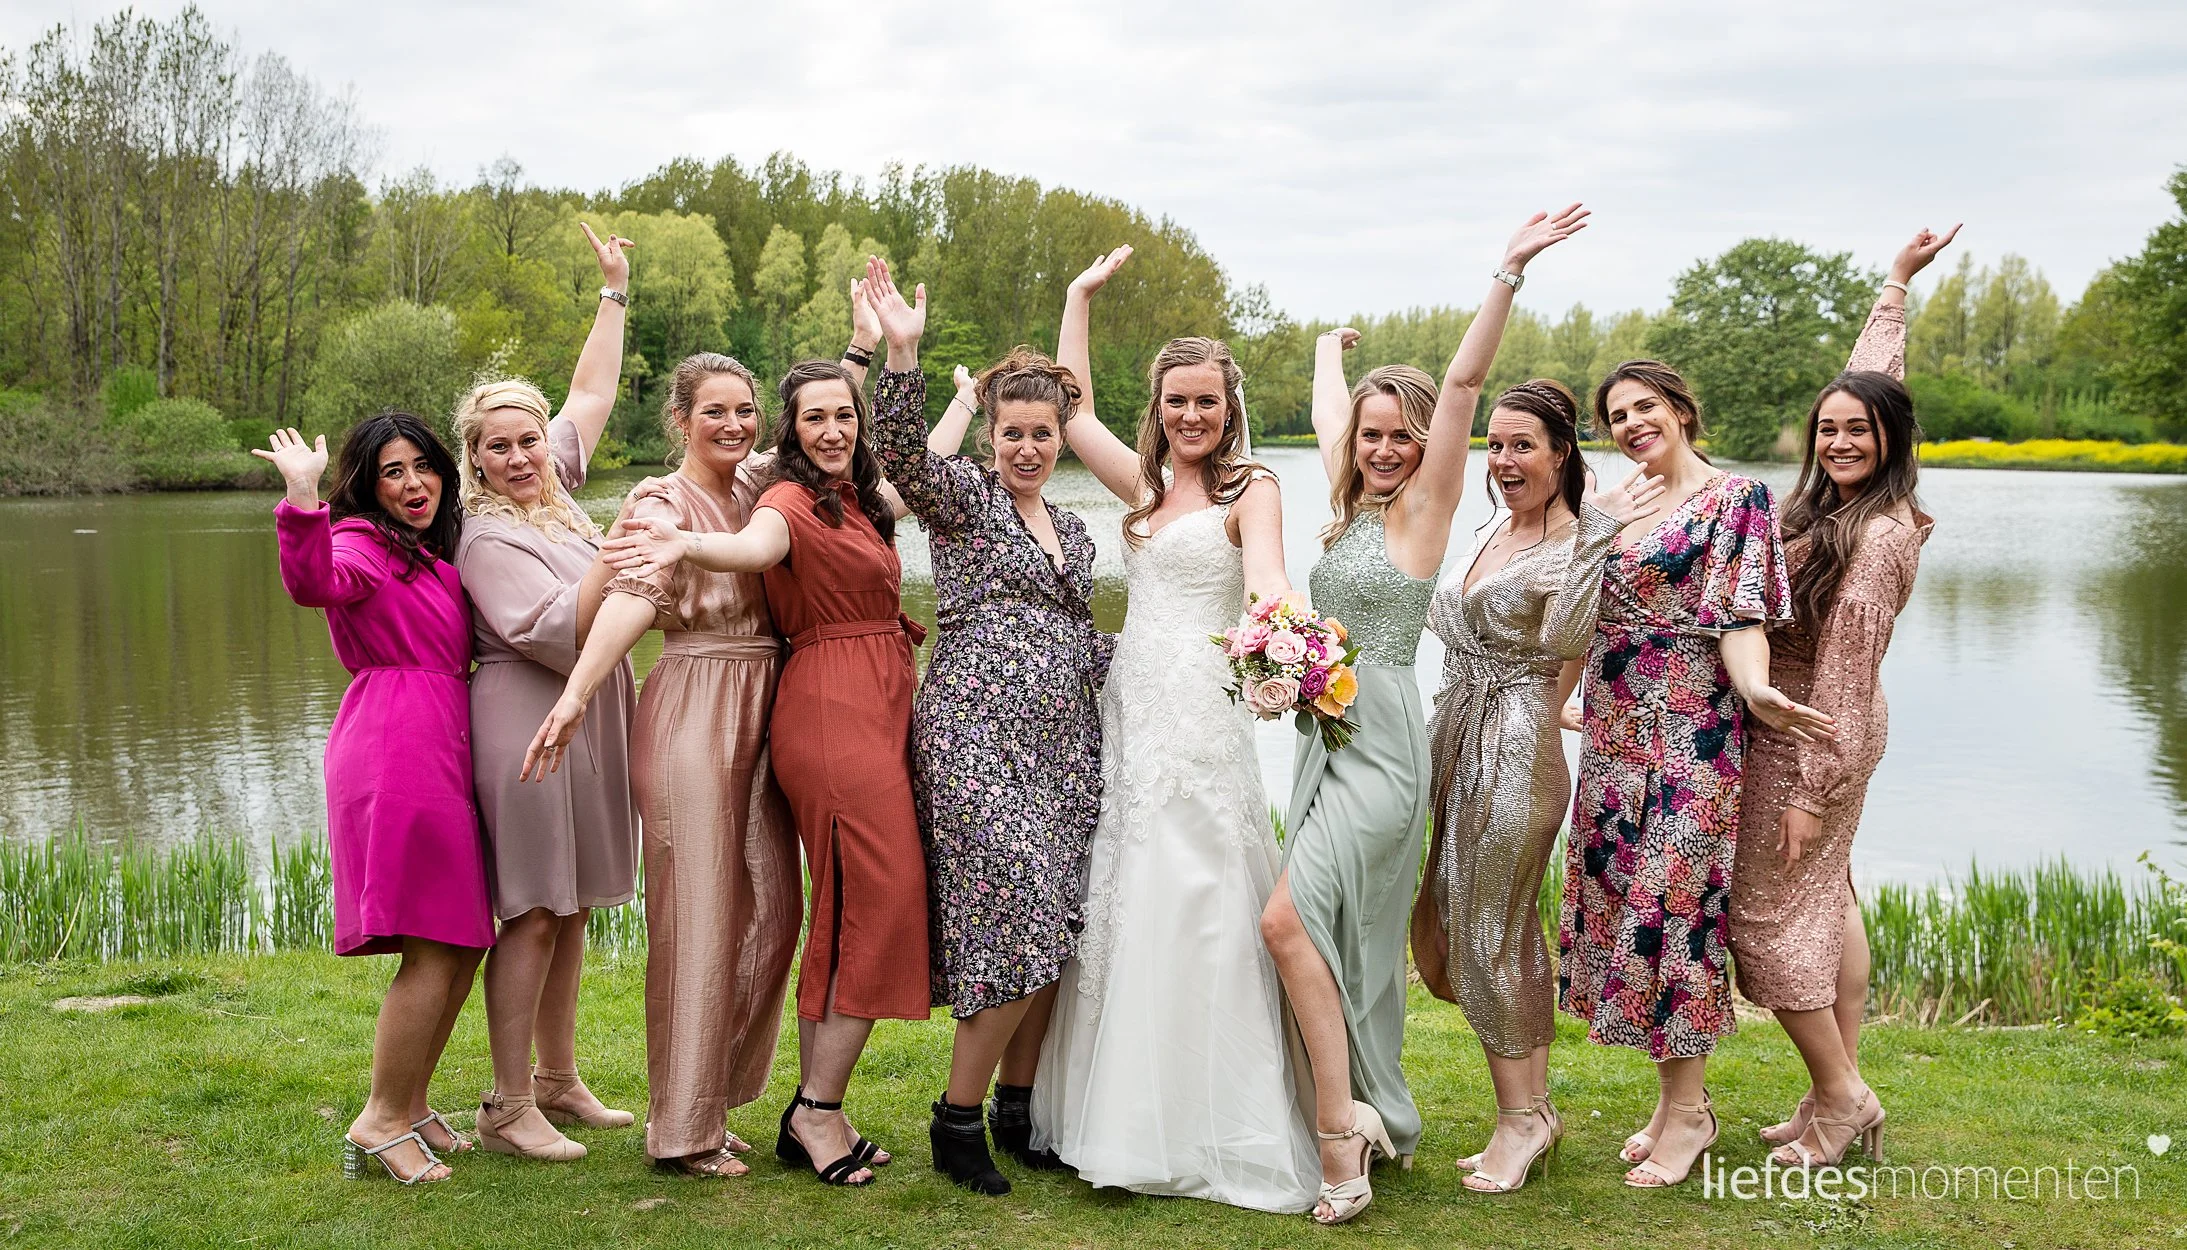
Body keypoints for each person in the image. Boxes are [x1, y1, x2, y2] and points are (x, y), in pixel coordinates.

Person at [526, 282, 940, 1178]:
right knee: (701, 919)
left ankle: (710, 1097)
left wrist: (862, 351)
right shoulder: (661, 502)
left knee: (773, 913)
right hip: (694, 706)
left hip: (771, 703)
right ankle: (680, 1131)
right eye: (714, 411)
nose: (733, 424)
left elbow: (826, 436)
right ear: (680, 419)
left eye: (745, 410)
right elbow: (634, 598)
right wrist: (577, 693)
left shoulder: (761, 484)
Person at [1262, 208, 1588, 1221]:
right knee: (1341, 932)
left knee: (1285, 921)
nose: (1385, 447)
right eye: (1372, 435)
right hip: (1326, 738)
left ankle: (1342, 1129)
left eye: (1402, 435)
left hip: (1385, 741)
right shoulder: (1352, 503)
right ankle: (1367, 1109)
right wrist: (1328, 351)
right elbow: (1331, 414)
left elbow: (1459, 389)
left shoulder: (1422, 508)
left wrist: (1508, 270)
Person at [1029, 247, 1319, 1213]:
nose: (1192, 415)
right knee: (1123, 883)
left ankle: (1208, 1117)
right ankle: (1110, 1110)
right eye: (1176, 402)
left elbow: (1267, 580)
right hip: (1132, 704)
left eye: (1207, 402)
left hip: (1199, 708)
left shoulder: (1253, 490)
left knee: (1196, 884)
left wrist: (1283, 639)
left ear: (1229, 409)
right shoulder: (1146, 491)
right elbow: (1072, 414)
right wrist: (1077, 295)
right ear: (1156, 408)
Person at [862, 261, 1113, 1196]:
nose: (1027, 447)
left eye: (1043, 433)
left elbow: (1079, 638)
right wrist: (903, 355)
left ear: (1061, 437)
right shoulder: (964, 500)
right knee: (1018, 915)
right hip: (973, 737)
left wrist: (1180, 657)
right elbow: (899, 457)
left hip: (1064, 752)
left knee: (1057, 925)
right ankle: (955, 1121)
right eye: (1012, 432)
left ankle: (1018, 1109)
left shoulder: (1077, 533)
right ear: (992, 434)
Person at [1559, 355, 1836, 1188]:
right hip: (1612, 731)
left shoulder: (1734, 498)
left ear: (1680, 409)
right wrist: (1565, 696)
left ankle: (1688, 1115)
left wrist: (1753, 688)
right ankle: (1672, 1101)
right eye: (1617, 415)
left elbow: (1740, 614)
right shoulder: (1614, 501)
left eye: (1644, 406)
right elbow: (1577, 609)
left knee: (1672, 911)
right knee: (1626, 907)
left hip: (1690, 733)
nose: (1632, 424)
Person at [1730, 225, 1957, 1170]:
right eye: (1827, 428)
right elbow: (1871, 380)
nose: (1838, 441)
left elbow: (1847, 671)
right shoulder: (1830, 505)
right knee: (1829, 904)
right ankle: (1832, 1096)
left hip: (1814, 731)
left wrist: (1809, 791)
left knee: (1759, 920)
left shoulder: (1878, 536)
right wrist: (1894, 286)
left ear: (1892, 439)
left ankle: (1842, 1097)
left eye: (1858, 431)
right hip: (1802, 722)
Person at [1412, 377, 1661, 1194]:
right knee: (1469, 922)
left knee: (1489, 927)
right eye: (1495, 444)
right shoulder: (1490, 528)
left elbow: (1564, 637)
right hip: (1456, 731)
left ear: (1560, 455)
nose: (1504, 460)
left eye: (1523, 445)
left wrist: (1596, 536)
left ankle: (1520, 1120)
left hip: (1514, 750)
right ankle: (1533, 1111)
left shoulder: (1581, 538)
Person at [256, 415, 492, 1185]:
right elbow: (313, 582)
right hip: (397, 748)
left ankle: (412, 1103)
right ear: (368, 484)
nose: (413, 484)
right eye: (393, 471)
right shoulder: (360, 542)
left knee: (462, 938)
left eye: (423, 466)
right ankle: (380, 1119)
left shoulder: (428, 551)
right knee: (433, 941)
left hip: (438, 744)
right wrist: (303, 499)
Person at [452, 224, 636, 1163]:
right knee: (530, 909)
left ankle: (559, 1078)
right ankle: (507, 1101)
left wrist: (614, 289)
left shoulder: (555, 488)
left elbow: (591, 392)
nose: (523, 456)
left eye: (530, 439)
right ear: (475, 459)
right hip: (524, 721)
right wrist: (622, 547)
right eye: (501, 446)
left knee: (572, 905)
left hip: (587, 718)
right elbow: (551, 627)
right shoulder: (484, 536)